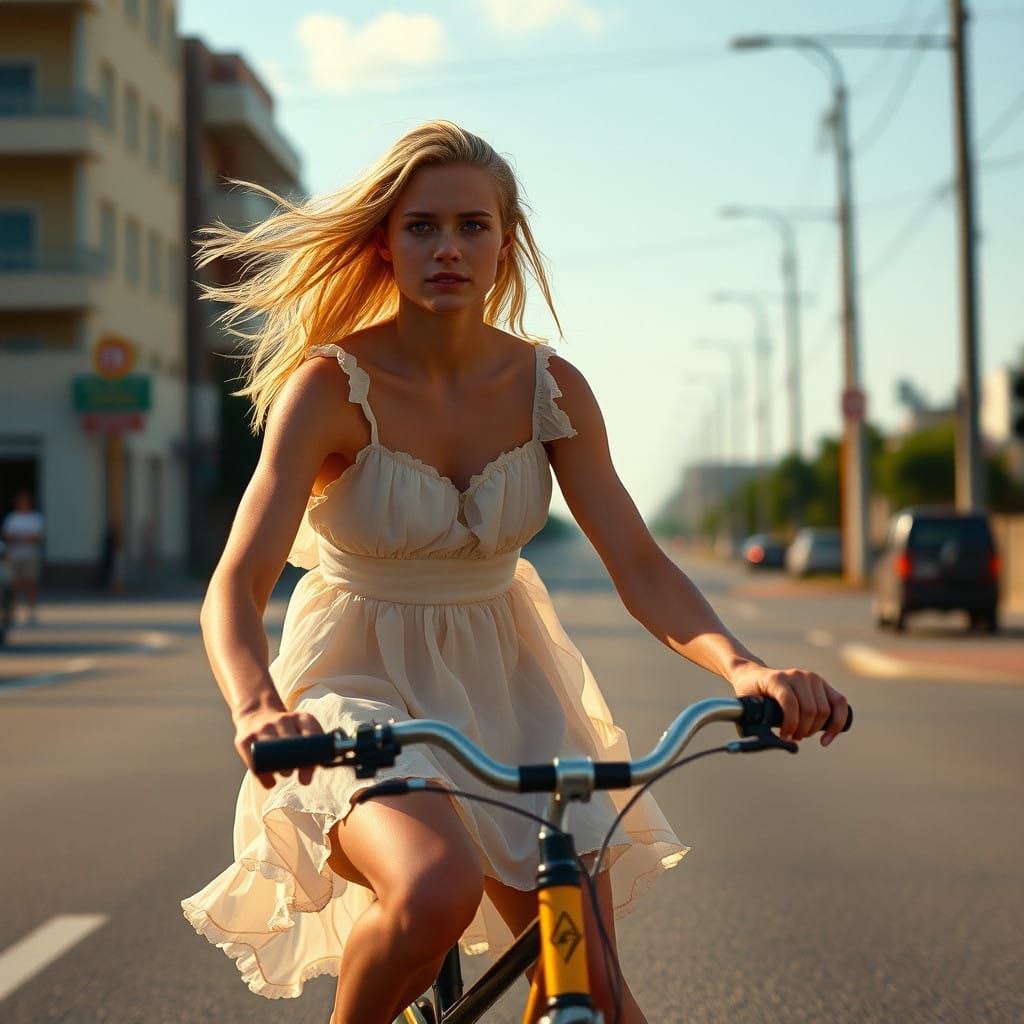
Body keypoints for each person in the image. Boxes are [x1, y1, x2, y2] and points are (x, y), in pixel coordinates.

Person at [180, 121, 849, 1024]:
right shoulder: (330, 387)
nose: (448, 248)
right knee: (433, 888)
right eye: (422, 226)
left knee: (595, 988)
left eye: (472, 226)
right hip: (355, 684)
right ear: (384, 243)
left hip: (513, 684)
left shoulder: (551, 388)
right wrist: (258, 706)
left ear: (506, 241)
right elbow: (238, 581)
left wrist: (746, 668)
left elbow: (641, 565)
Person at [1, 490, 44, 625]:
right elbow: (8, 537)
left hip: (30, 555)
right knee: (14, 585)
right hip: (14, 556)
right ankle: (12, 612)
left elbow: (36, 538)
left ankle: (31, 612)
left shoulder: (34, 518)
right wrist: (24, 538)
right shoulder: (11, 518)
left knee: (31, 584)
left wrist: (18, 538)